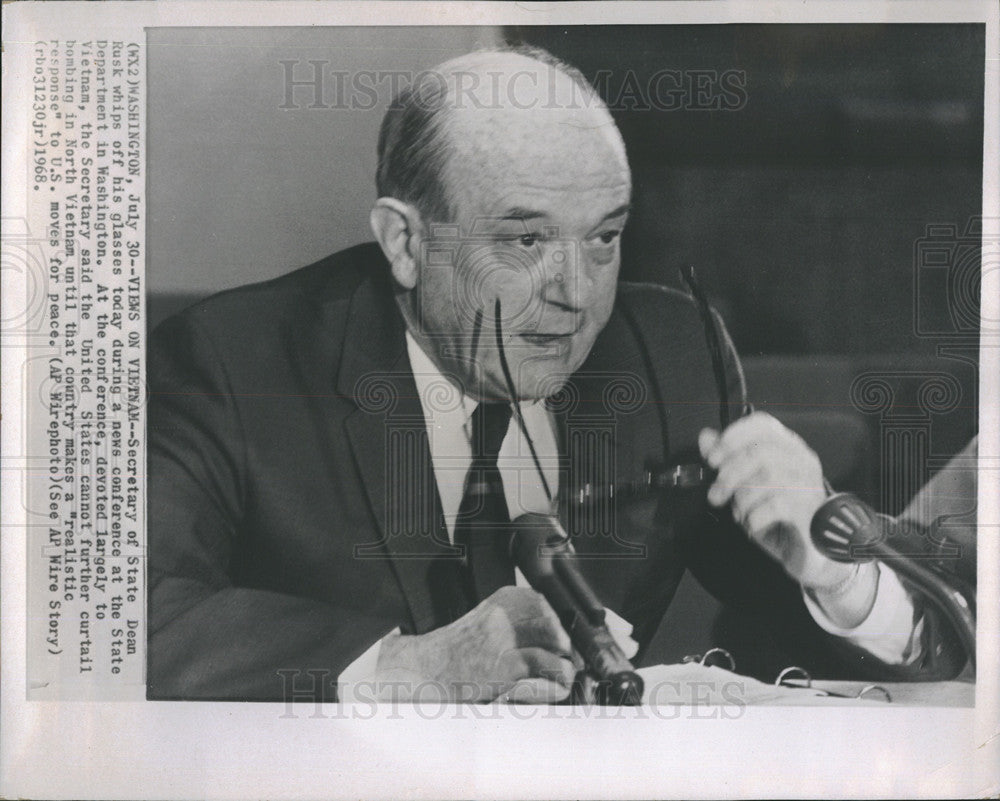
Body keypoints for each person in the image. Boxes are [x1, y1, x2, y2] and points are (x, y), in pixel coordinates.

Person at [147, 46, 963, 702]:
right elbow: (119, 624)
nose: (576, 297)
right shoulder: (230, 361)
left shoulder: (667, 354)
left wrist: (832, 569)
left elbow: (919, 655)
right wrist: (407, 668)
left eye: (604, 238)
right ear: (404, 243)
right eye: (525, 242)